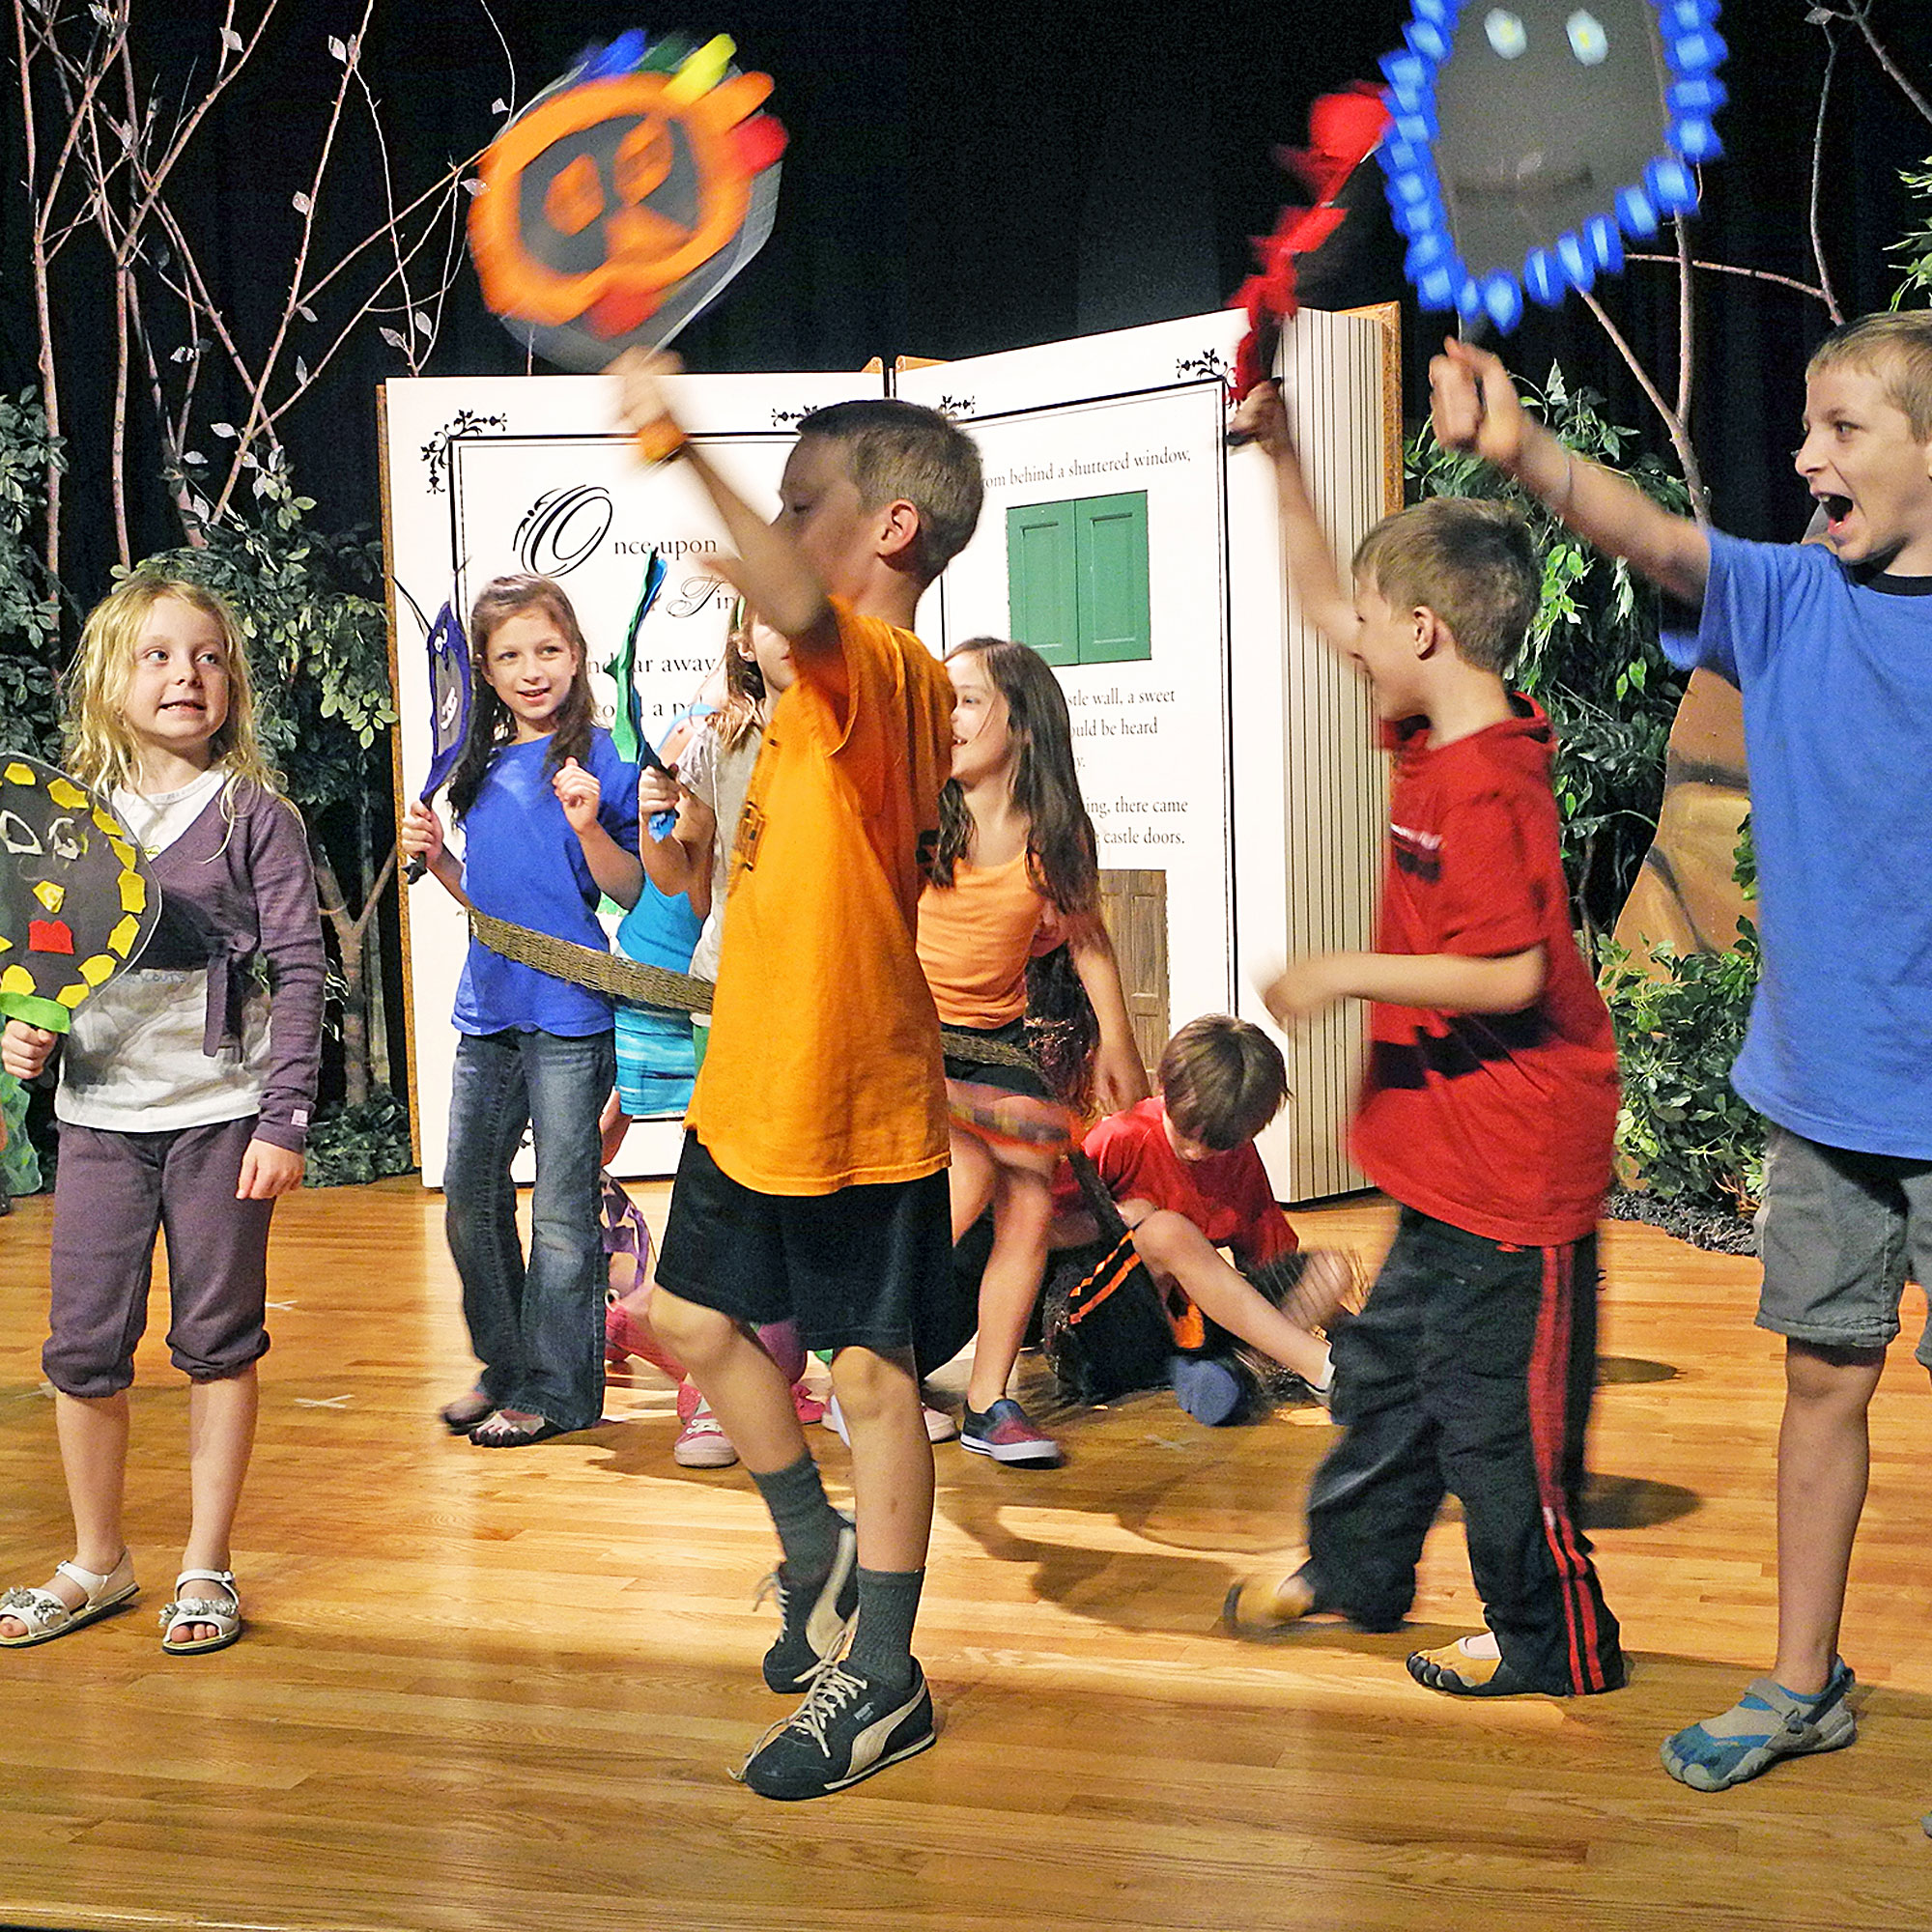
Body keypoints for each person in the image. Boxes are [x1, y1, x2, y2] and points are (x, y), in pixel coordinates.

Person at [1432, 312, 1932, 1782]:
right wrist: (1519, 448)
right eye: (1804, 427)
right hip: (1826, 1098)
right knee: (1823, 1384)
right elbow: (1649, 533)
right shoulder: (1784, 601)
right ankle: (1800, 1681)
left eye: (1842, 428)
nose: (1804, 456)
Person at [1219, 381, 1626, 1704]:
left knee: (1496, 1424)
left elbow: (1509, 970)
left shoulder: (1494, 776)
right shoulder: (1426, 720)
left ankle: (1553, 1642)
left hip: (1521, 1172)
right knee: (1387, 1376)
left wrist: (1342, 970)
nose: (1352, 640)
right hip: (1451, 1160)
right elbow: (1323, 602)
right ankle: (1357, 1571)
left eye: (1376, 626)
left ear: (1430, 631)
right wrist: (1282, 458)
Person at [615, 351, 980, 1800]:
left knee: (876, 1383)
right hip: (752, 1095)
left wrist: (676, 439)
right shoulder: (805, 701)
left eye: (802, 501)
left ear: (891, 525)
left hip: (857, 1105)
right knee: (687, 1322)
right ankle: (819, 1556)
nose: (778, 522)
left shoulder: (889, 670)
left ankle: (884, 1678)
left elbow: (797, 607)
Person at [0, 575, 325, 1655]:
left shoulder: (251, 816)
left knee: (216, 1341)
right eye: (156, 655)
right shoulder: (65, 823)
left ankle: (205, 1563)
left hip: (222, 1121)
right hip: (98, 1120)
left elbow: (301, 967)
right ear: (109, 678)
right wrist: (28, 1032)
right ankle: (99, 1561)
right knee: (83, 1345)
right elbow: (42, 965)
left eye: (207, 657)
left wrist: (284, 1119)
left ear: (231, 681)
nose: (185, 675)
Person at [402, 574, 641, 1449]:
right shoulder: (478, 767)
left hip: (572, 1013)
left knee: (563, 1211)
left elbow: (631, 886)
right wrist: (438, 862)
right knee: (469, 1198)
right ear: (484, 675)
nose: (531, 670)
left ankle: (559, 1391)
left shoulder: (604, 760)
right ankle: (505, 1368)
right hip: (489, 1010)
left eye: (547, 651)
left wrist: (587, 825)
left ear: (576, 656)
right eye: (509, 657)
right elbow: (492, 903)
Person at [607, 611, 829, 1467]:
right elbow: (685, 889)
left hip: (828, 996)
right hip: (729, 992)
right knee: (728, 1190)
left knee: (813, 1196)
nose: (783, 627)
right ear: (741, 639)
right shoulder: (712, 740)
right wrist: (653, 816)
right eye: (760, 615)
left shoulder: (854, 731)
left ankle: (826, 1373)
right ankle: (706, 1393)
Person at [918, 637, 1147, 1464]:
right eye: (943, 700)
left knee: (1031, 1189)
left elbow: (1086, 935)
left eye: (969, 699)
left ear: (1024, 723)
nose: (950, 717)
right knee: (978, 1168)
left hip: (993, 1038)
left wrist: (1118, 1041)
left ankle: (990, 1398)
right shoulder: (918, 808)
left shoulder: (1056, 831)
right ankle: (864, 1352)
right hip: (907, 1040)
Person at [1082, 1015, 1351, 1423]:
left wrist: (1353, 1330)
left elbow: (1267, 1259)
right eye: (1187, 1131)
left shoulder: (1239, 1160)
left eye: (1218, 1143)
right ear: (1163, 1089)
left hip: (1193, 1323)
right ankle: (1321, 1371)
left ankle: (1242, 1368)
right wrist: (1115, 1219)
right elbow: (1041, 1234)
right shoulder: (1121, 1137)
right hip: (1106, 1329)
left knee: (1331, 1270)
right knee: (1168, 1231)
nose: (1196, 1152)